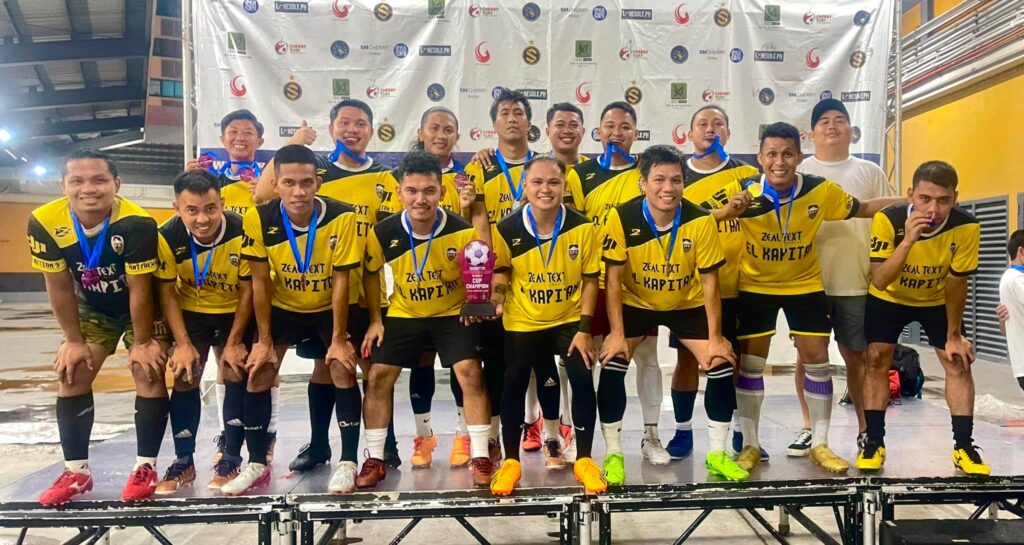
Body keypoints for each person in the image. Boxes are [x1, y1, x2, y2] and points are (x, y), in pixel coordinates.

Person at [731, 122, 901, 474]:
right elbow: (703, 220)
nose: (780, 161)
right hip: (755, 287)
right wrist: (730, 209)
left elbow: (866, 208)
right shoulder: (743, 192)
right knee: (750, 365)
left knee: (817, 360)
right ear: (761, 158)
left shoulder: (820, 190)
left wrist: (910, 201)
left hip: (804, 285)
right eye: (772, 154)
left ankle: (820, 443)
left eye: (788, 154)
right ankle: (750, 443)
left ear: (800, 156)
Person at [255, 99, 402, 472]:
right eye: (345, 123)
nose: (353, 130)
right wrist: (299, 144)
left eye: (361, 124)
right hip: (318, 293)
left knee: (373, 371)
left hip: (363, 291)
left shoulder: (386, 178)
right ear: (333, 128)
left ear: (372, 130)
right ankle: (320, 444)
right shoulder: (315, 171)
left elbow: (389, 237)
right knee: (325, 367)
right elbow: (261, 196)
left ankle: (384, 445)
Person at [599, 145, 748, 484]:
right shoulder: (621, 217)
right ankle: (613, 454)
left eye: (676, 180)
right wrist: (617, 333)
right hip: (637, 302)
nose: (668, 188)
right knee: (614, 360)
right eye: (659, 180)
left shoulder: (699, 220)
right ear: (643, 183)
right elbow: (613, 280)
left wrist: (715, 338)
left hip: (687, 303)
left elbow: (711, 284)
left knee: (721, 364)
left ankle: (717, 454)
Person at [30, 150, 168, 506]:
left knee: (147, 368)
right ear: (63, 185)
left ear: (116, 185)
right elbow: (58, 286)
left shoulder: (136, 223)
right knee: (72, 371)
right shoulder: (44, 221)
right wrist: (73, 341)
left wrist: (142, 342)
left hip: (143, 306)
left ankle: (145, 467)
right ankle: (76, 472)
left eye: (99, 180)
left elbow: (140, 289)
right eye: (77, 181)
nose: (88, 189)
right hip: (94, 307)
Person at [227, 145, 362, 495]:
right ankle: (256, 464)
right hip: (283, 304)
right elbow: (258, 280)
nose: (299, 192)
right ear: (276, 183)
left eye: (306, 183)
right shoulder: (259, 217)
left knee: (340, 365)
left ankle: (348, 462)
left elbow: (341, 281)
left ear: (318, 182)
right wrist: (264, 341)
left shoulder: (343, 216)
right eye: (289, 182)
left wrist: (337, 339)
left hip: (325, 305)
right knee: (260, 369)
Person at [356, 151, 495, 489]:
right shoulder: (384, 232)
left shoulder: (462, 232)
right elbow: (371, 274)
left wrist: (473, 305)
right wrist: (376, 318)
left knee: (470, 373)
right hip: (405, 313)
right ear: (400, 193)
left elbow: (478, 274)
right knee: (377, 377)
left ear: (442, 192)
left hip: (450, 313)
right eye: (412, 191)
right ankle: (375, 457)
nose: (421, 199)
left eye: (429, 191)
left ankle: (480, 455)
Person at [859, 160, 989, 475]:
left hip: (936, 299)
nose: (933, 209)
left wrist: (954, 335)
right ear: (910, 196)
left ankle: (964, 446)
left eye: (943, 200)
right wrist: (907, 242)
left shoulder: (967, 226)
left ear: (955, 199)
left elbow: (958, 283)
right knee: (877, 358)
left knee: (958, 361)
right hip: (889, 297)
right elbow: (879, 280)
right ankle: (874, 442)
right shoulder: (887, 220)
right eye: (925, 199)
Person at [487, 156, 606, 495]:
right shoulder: (506, 228)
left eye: (553, 182)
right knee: (513, 381)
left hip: (568, 321)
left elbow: (589, 280)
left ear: (564, 187)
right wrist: (495, 296)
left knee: (582, 379)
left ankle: (583, 458)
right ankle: (511, 462)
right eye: (537, 182)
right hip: (523, 320)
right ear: (525, 187)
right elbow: (502, 271)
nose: (545, 189)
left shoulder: (583, 227)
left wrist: (584, 329)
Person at [565, 102, 671, 466]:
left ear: (636, 133)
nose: (616, 132)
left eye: (625, 126)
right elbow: (572, 229)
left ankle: (651, 435)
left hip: (638, 284)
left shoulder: (648, 174)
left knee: (646, 358)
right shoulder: (580, 175)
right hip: (594, 281)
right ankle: (576, 436)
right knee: (584, 359)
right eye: (609, 126)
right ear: (598, 132)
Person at [788, 99, 894, 457]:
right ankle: (809, 428)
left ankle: (867, 431)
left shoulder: (869, 171)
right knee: (808, 358)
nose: (832, 126)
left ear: (851, 130)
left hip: (856, 281)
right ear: (812, 133)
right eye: (824, 122)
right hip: (807, 283)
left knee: (857, 358)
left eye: (840, 121)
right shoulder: (797, 172)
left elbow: (887, 214)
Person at [184, 109, 277, 468]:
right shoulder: (206, 176)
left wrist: (266, 196)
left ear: (260, 141)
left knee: (259, 366)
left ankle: (267, 435)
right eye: (233, 132)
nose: (240, 137)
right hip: (213, 288)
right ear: (222, 140)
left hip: (255, 285)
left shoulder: (268, 178)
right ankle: (229, 434)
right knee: (226, 367)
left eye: (248, 132)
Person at [668, 104, 760, 461]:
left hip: (738, 284)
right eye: (702, 124)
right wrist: (721, 213)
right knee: (688, 361)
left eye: (718, 123)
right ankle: (682, 431)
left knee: (734, 360)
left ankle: (739, 431)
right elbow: (677, 220)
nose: (710, 129)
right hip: (691, 288)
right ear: (689, 134)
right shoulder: (679, 176)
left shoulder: (748, 173)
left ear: (728, 132)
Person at [154, 170, 254, 492]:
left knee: (235, 370)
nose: (202, 219)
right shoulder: (167, 236)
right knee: (185, 375)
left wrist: (236, 340)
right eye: (192, 210)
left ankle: (231, 457)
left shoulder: (244, 230)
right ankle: (184, 461)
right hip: (192, 312)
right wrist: (182, 344)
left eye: (210, 208)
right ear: (177, 208)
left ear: (223, 203)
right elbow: (167, 293)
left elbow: (250, 290)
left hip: (235, 311)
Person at [403, 106, 487, 469]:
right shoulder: (404, 177)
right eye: (434, 128)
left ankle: (463, 434)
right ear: (421, 132)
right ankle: (424, 435)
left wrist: (472, 208)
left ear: (457, 135)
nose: (440, 135)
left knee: (463, 367)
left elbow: (479, 243)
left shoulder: (471, 176)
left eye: (448, 129)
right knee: (419, 363)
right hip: (415, 294)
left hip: (454, 294)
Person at [460, 88, 539, 461]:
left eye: (518, 112)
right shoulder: (479, 167)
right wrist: (485, 279)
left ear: (529, 122)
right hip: (491, 278)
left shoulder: (544, 166)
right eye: (504, 112)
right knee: (491, 359)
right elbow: (467, 223)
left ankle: (538, 426)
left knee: (528, 361)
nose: (512, 118)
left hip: (536, 276)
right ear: (494, 124)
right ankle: (488, 436)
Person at [997, 231, 1024, 393]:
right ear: (1021, 252)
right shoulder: (1017, 279)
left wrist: (1002, 320)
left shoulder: (1010, 277)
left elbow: (1005, 329)